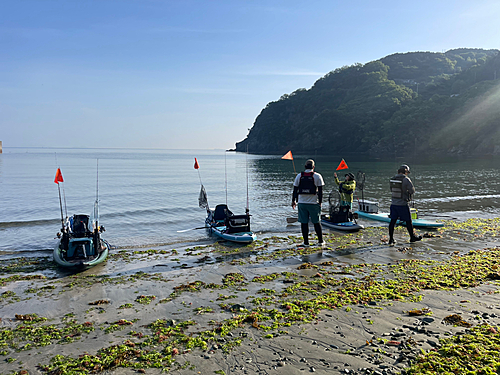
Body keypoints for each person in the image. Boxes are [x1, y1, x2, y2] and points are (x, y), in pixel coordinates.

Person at [291, 159, 325, 248]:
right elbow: (320, 192)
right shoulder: (317, 176)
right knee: (317, 222)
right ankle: (320, 241)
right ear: (313, 167)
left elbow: (295, 190)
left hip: (302, 203)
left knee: (304, 223)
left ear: (305, 166)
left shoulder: (299, 176)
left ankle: (306, 242)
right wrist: (320, 202)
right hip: (313, 203)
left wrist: (293, 201)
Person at [388, 164, 422, 245]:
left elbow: (391, 190)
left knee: (392, 221)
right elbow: (412, 191)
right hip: (403, 204)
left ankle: (391, 239)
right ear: (405, 172)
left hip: (393, 204)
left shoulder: (392, 179)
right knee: (408, 221)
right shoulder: (406, 179)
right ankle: (412, 237)